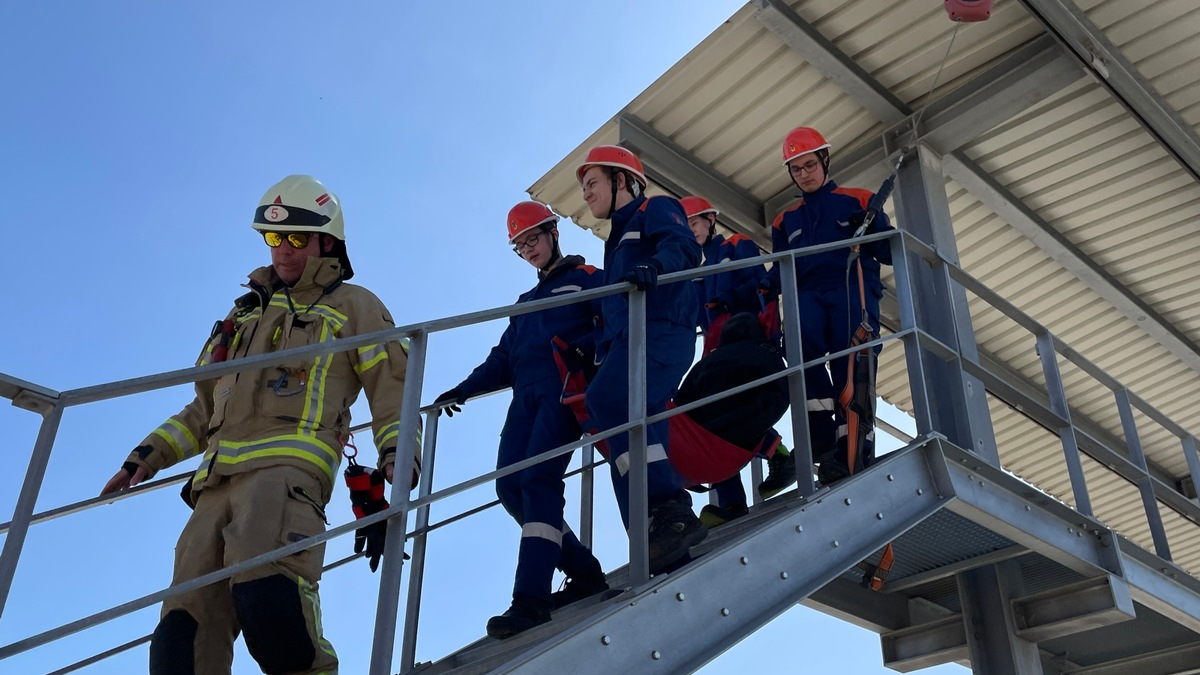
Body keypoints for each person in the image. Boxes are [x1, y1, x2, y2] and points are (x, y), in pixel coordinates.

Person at [101, 175, 418, 675]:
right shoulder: (240, 317)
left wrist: (398, 453)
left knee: (273, 607)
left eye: (296, 238)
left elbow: (392, 383)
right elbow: (204, 408)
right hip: (213, 486)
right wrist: (146, 457)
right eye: (274, 239)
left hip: (286, 476)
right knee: (180, 638)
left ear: (326, 242)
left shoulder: (352, 305)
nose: (284, 252)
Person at [433, 201, 608, 639]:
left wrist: (589, 349)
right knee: (509, 486)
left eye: (532, 238)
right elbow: (502, 358)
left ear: (553, 233)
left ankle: (530, 600)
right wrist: (464, 389)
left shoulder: (586, 279)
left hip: (562, 393)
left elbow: (614, 320)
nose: (528, 249)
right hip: (524, 400)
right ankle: (584, 571)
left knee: (537, 482)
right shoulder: (524, 303)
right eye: (519, 245)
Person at [575, 145, 705, 574]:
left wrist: (655, 265)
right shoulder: (613, 245)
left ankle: (671, 508)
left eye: (592, 182)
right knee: (635, 427)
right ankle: (662, 543)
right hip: (628, 340)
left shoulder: (657, 207)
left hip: (662, 328)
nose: (586, 194)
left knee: (606, 402)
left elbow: (684, 247)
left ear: (623, 181)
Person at [765, 127, 894, 485]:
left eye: (809, 165)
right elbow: (779, 270)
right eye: (796, 169)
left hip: (851, 291)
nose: (804, 174)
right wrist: (758, 285)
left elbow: (889, 254)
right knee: (799, 353)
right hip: (807, 295)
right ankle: (821, 440)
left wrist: (870, 233)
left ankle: (852, 450)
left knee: (852, 366)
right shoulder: (784, 220)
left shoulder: (859, 200)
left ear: (824, 161)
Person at [680, 197, 795, 526]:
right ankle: (732, 499)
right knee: (707, 416)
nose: (691, 233)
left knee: (734, 408)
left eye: (695, 224)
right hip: (716, 348)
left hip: (745, 339)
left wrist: (728, 299)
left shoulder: (736, 244)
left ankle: (778, 458)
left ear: (711, 219)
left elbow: (760, 283)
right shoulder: (697, 272)